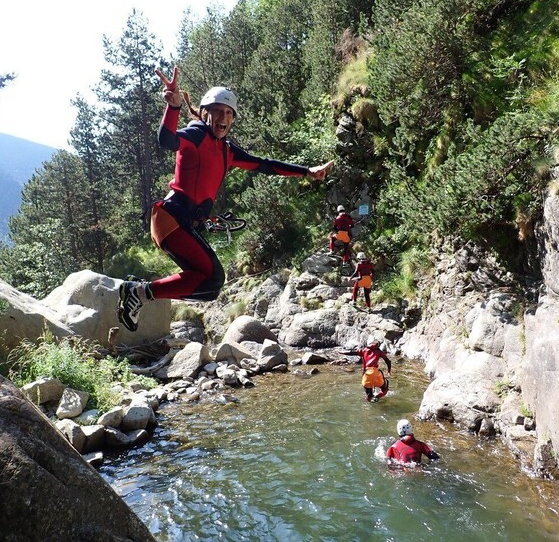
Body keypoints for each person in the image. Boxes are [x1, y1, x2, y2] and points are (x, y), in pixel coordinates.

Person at [117, 66, 333, 331]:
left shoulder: (227, 150)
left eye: (229, 113)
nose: (224, 117)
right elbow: (167, 140)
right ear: (206, 113)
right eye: (218, 111)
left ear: (232, 120)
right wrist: (173, 107)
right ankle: (137, 292)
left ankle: (138, 292)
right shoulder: (196, 134)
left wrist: (306, 172)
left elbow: (265, 164)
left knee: (209, 287)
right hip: (170, 217)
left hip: (184, 223)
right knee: (214, 276)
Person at [351, 334, 391, 402]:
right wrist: (389, 371)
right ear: (377, 343)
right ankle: (378, 396)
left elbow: (352, 352)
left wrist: (341, 352)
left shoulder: (364, 350)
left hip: (366, 375)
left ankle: (369, 400)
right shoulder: (379, 352)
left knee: (369, 395)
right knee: (385, 389)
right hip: (376, 374)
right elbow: (388, 362)